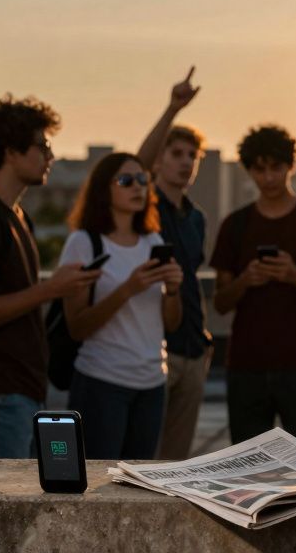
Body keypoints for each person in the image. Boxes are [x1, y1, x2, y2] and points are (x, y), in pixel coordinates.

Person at [0, 94, 101, 459]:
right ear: (11, 151)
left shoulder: (14, 216)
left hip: (20, 392)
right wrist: (51, 289)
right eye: (42, 146)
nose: (50, 156)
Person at [210, 125, 296, 449]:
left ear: (290, 166)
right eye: (259, 169)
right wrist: (246, 280)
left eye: (276, 167)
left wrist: (295, 275)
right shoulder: (235, 225)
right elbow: (220, 302)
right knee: (246, 471)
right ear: (249, 171)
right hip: (246, 367)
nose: (268, 177)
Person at [60, 152, 183, 460]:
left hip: (152, 383)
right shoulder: (83, 243)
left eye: (143, 180)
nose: (138, 187)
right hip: (102, 382)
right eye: (126, 180)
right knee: (99, 483)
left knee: (138, 485)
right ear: (104, 189)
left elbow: (172, 324)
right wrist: (128, 289)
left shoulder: (153, 241)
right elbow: (77, 327)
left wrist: (173, 290)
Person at [136, 67, 211, 459]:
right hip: (154, 346)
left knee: (177, 461)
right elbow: (136, 163)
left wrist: (205, 342)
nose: (185, 162)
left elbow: (192, 279)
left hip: (194, 348)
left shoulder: (196, 216)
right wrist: (172, 109)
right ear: (160, 161)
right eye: (176, 154)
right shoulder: (145, 205)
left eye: (192, 156)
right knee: (143, 456)